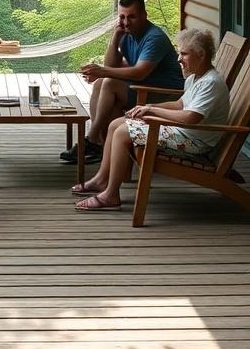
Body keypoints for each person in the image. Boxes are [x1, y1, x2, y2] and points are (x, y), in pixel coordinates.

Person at [72, 27, 230, 211]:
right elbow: (180, 104)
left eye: (184, 54)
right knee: (116, 124)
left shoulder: (210, 83)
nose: (179, 59)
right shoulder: (195, 77)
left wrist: (153, 114)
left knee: (124, 132)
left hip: (195, 141)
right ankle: (101, 180)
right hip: (183, 133)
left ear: (201, 54)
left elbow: (189, 117)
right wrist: (149, 107)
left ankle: (110, 195)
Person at [60, 0, 183, 164]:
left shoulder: (154, 38)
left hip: (166, 95)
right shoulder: (126, 33)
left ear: (144, 16)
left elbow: (139, 73)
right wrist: (114, 39)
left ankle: (92, 139)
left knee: (108, 83)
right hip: (143, 89)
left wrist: (102, 71)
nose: (126, 22)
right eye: (122, 17)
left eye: (132, 17)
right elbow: (112, 65)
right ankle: (104, 149)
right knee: (102, 85)